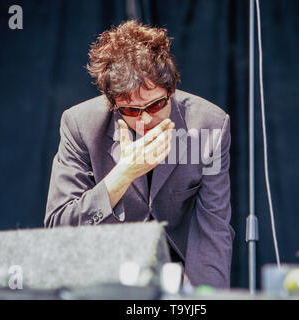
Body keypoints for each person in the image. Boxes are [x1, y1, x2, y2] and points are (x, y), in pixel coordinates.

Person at [44, 20, 235, 288]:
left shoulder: (210, 125)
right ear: (112, 105)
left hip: (177, 274)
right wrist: (123, 174)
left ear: (170, 91)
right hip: (104, 275)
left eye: (156, 105)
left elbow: (212, 228)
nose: (145, 120)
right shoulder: (80, 125)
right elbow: (59, 228)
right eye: (132, 111)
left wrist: (204, 300)